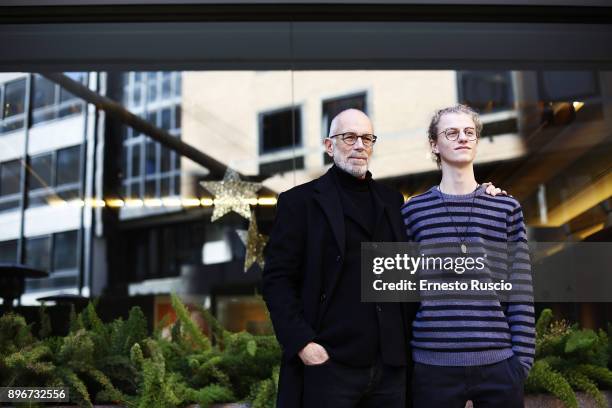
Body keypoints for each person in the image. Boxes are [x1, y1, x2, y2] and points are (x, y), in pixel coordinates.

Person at [262, 108, 505, 408]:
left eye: (367, 138)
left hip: (390, 369)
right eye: (349, 137)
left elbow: (422, 265)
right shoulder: (298, 203)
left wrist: (482, 194)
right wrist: (302, 343)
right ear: (329, 146)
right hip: (328, 364)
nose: (359, 145)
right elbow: (276, 280)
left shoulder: (392, 201)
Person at [401, 104, 535, 408]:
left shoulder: (505, 208)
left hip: (499, 364)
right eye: (451, 132)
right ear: (434, 144)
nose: (462, 138)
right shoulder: (413, 212)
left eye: (469, 132)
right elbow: (403, 293)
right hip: (432, 365)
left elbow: (521, 286)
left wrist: (522, 360)